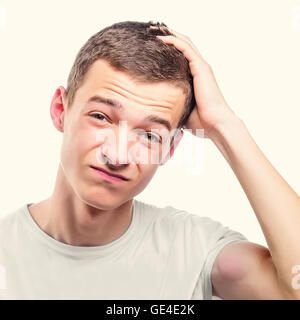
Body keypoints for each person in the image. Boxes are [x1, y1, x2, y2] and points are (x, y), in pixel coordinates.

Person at [0, 20, 299, 300]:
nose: (117, 156)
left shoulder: (193, 249)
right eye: (101, 117)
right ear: (60, 110)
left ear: (170, 149)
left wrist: (224, 126)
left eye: (149, 136)